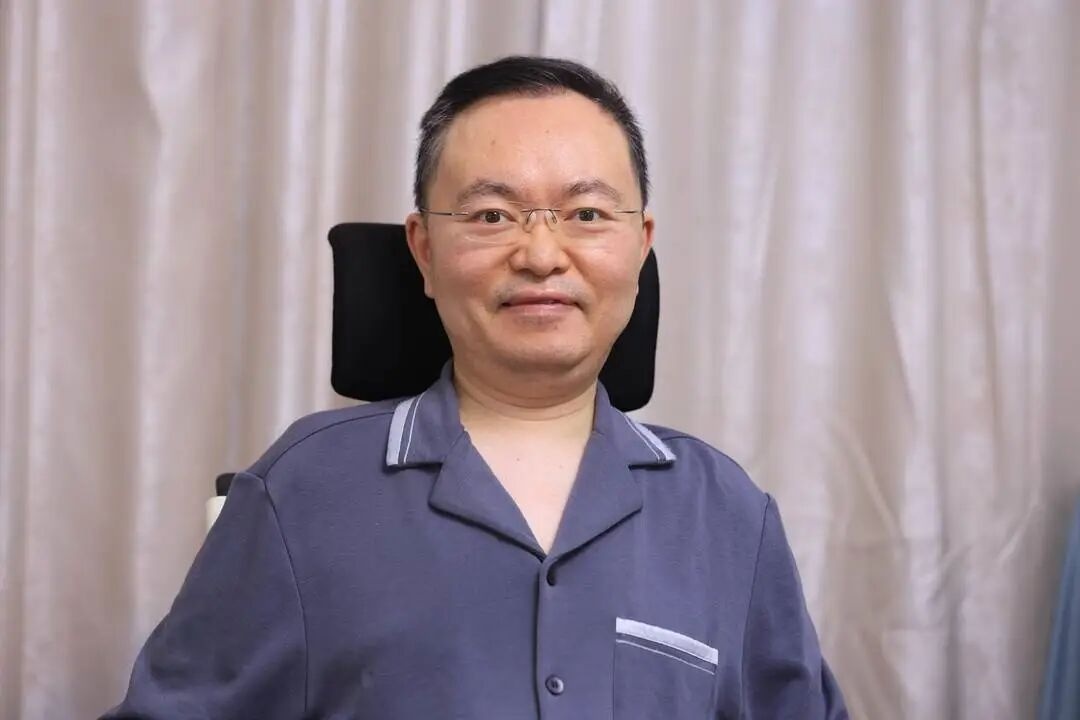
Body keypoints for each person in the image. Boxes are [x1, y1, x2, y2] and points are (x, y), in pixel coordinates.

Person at [103, 56, 848, 719]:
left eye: (587, 214)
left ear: (640, 244)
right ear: (424, 250)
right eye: (493, 215)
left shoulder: (727, 514)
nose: (541, 254)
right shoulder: (303, 491)